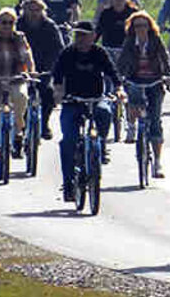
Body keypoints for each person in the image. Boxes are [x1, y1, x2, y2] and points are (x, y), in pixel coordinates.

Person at [52, 21, 126, 201]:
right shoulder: (68, 53)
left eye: (84, 35)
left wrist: (118, 88)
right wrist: (58, 91)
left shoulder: (99, 53)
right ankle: (68, 182)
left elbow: (112, 72)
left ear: (93, 36)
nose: (80, 38)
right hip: (73, 100)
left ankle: (100, 144)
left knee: (106, 112)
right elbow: (58, 75)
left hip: (95, 99)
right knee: (68, 141)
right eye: (78, 35)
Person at [0, 8, 36, 169]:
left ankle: (18, 131)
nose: (7, 26)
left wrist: (31, 72)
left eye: (11, 22)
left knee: (21, 97)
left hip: (15, 79)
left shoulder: (19, 38)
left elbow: (27, 56)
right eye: (4, 22)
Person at [117, 10, 170, 178]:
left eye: (143, 25)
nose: (140, 29)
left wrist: (169, 75)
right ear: (132, 28)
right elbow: (122, 60)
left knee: (155, 120)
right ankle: (132, 126)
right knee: (133, 94)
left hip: (154, 80)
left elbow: (165, 57)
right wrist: (119, 76)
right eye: (137, 26)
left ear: (149, 26)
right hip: (136, 78)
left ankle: (157, 162)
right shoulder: (129, 42)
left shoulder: (155, 40)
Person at [15, 0, 65, 139]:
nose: (34, 13)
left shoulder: (49, 25)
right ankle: (20, 126)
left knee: (48, 93)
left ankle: (44, 124)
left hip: (44, 66)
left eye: (37, 10)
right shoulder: (18, 24)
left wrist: (52, 68)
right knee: (22, 95)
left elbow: (59, 48)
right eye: (31, 10)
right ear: (24, 10)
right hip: (21, 66)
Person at [95, 0, 141, 140]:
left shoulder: (133, 13)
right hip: (109, 50)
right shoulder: (106, 14)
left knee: (129, 86)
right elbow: (97, 33)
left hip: (127, 52)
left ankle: (131, 125)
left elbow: (141, 34)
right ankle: (106, 126)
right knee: (107, 85)